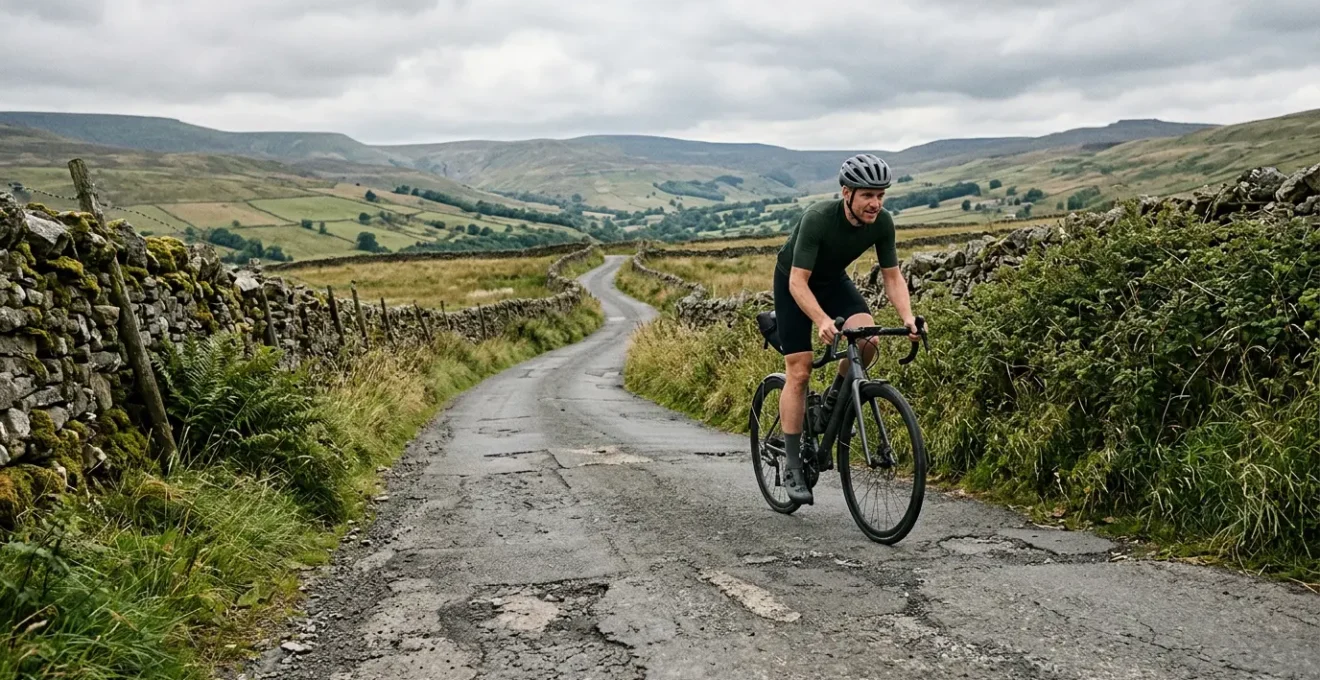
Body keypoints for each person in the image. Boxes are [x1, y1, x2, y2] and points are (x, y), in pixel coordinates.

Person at [771, 153, 920, 505]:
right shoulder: (818, 219)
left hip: (832, 282)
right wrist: (822, 320)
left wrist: (908, 318)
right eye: (868, 195)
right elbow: (797, 281)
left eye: (881, 194)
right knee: (800, 369)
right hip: (794, 283)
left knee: (868, 338)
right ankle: (792, 464)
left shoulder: (883, 223)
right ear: (846, 193)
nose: (876, 203)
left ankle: (831, 403)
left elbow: (892, 275)